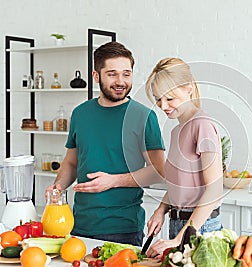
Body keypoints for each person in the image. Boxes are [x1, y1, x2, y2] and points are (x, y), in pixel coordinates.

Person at [45, 42, 165, 246]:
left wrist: (113, 181)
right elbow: (72, 163)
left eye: (126, 74)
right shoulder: (80, 114)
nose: (121, 81)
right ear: (96, 76)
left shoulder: (144, 116)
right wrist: (59, 187)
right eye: (112, 74)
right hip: (79, 224)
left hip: (123, 229)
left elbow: (159, 170)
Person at [144, 58, 224, 258]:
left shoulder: (202, 125)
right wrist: (161, 210)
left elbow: (214, 189)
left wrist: (181, 238)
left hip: (200, 229)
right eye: (158, 99)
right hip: (178, 224)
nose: (163, 105)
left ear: (188, 89)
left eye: (170, 98)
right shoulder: (177, 130)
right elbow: (180, 184)